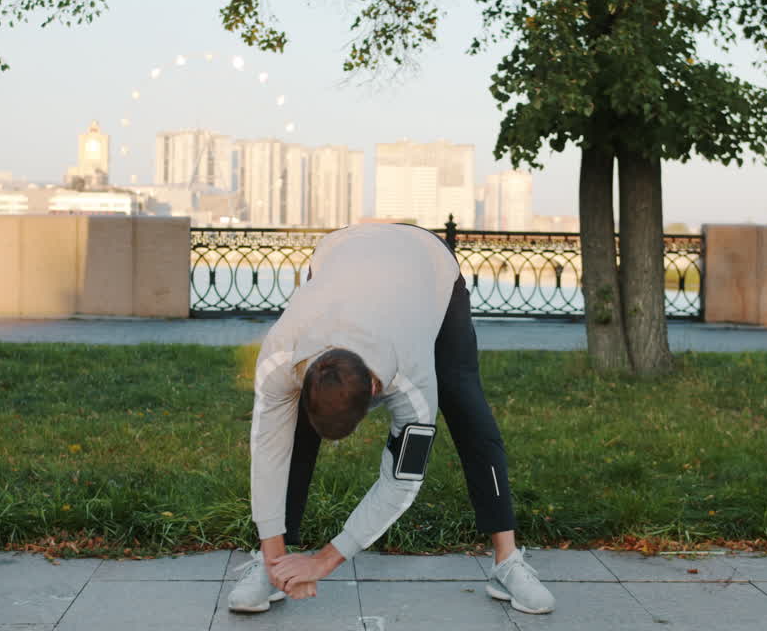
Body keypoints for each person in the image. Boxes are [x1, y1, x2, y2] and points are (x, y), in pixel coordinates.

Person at [228, 222, 556, 615]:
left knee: (467, 408)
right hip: (345, 251)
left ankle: (508, 561)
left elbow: (402, 482)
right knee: (292, 429)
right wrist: (276, 559)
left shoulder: (412, 378)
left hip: (427, 262)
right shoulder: (282, 356)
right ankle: (272, 565)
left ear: (375, 389)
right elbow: (267, 451)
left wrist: (325, 560)